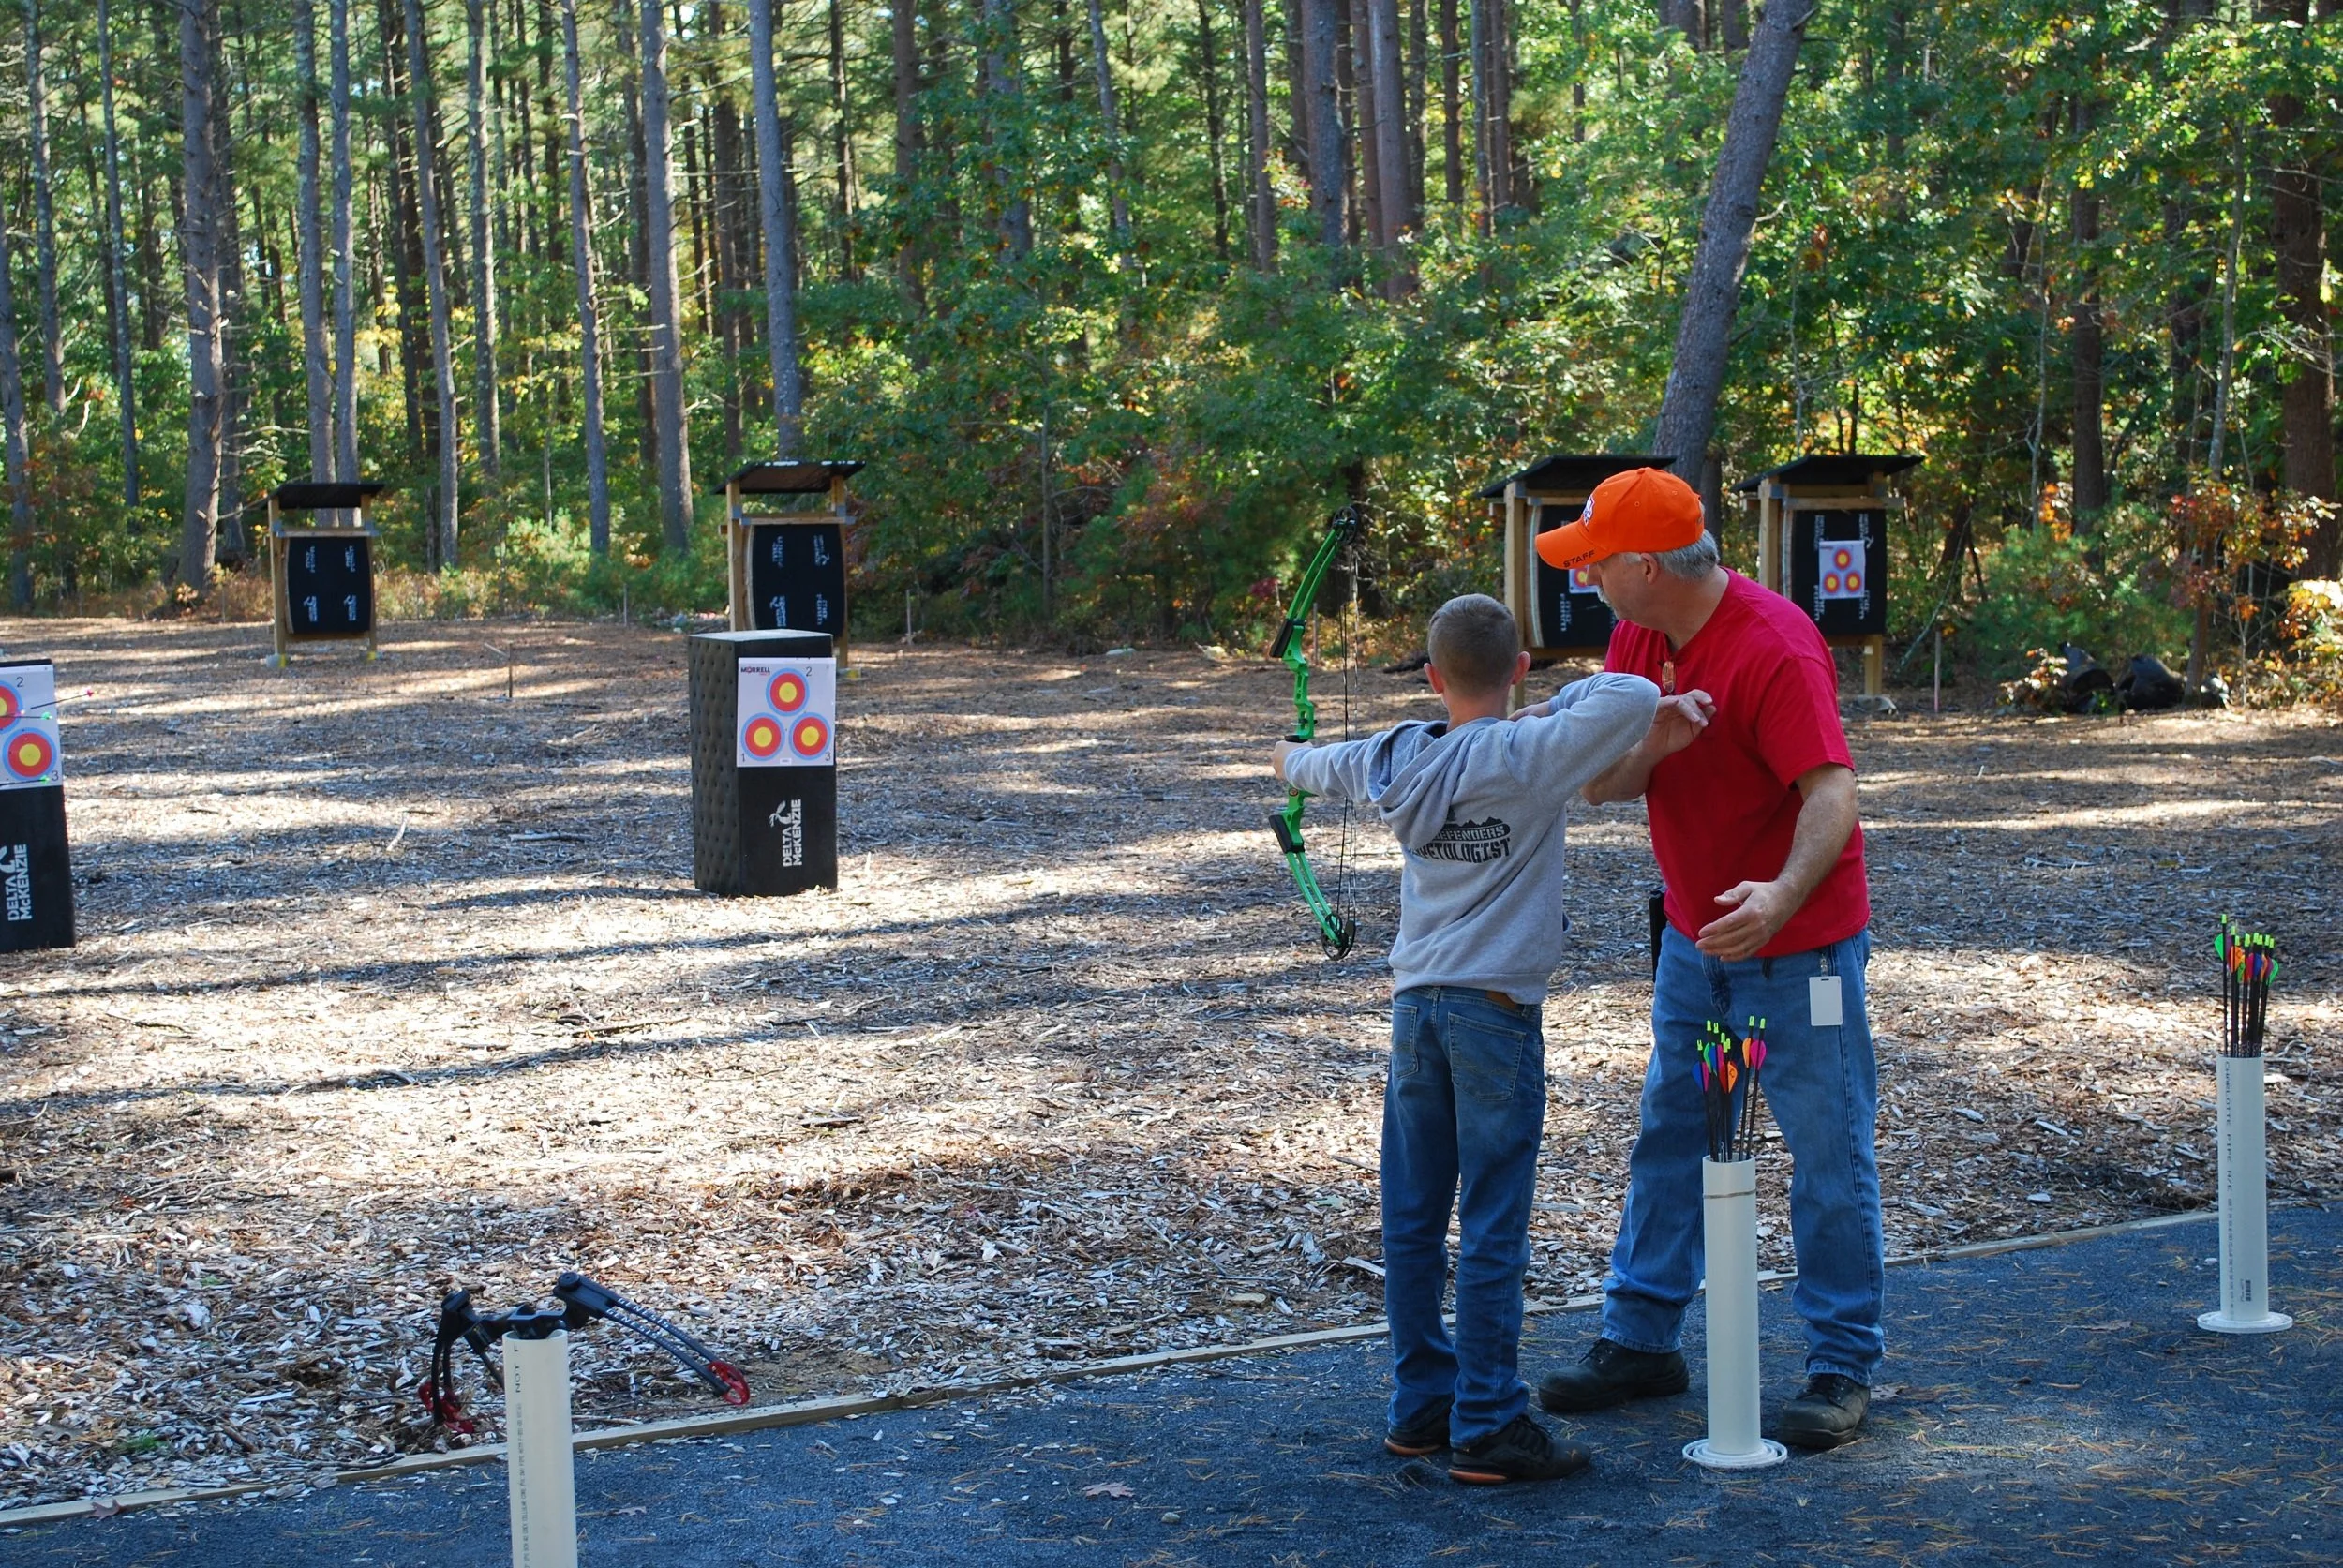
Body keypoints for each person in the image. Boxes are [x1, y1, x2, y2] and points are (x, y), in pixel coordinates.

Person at [1517, 467, 1884, 1450]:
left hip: (1798, 946)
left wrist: (1777, 895)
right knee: (1671, 1131)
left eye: (1594, 559)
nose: (1583, 575)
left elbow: (1831, 793)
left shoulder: (1773, 647)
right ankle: (1641, 1337)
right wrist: (1659, 744)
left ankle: (1841, 1360)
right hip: (1692, 940)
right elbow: (1603, 785)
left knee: (1828, 1148)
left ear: (1644, 565)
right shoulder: (1638, 637)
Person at [1272, 593, 1657, 1484]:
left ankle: (1422, 1407)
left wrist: (1288, 755)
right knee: (1490, 1221)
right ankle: (1485, 1420)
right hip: (1495, 1012)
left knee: (1411, 1219)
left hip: (1418, 1011)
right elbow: (1632, 696)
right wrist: (1552, 701)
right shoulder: (1530, 750)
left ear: (1435, 677)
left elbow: (1307, 766)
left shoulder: (1398, 755)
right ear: (1519, 669)